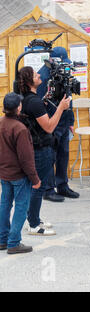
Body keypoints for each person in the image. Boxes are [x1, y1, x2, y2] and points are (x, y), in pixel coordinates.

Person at [17, 66, 70, 236]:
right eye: (35, 74)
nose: (39, 75)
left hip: (34, 146)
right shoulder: (34, 102)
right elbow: (48, 127)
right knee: (38, 186)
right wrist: (61, 108)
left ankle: (33, 218)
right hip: (40, 149)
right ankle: (33, 225)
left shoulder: (28, 99)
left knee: (34, 185)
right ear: (29, 81)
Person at [37, 47, 80, 203]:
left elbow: (69, 97)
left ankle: (63, 185)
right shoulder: (42, 76)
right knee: (50, 157)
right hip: (50, 123)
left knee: (63, 155)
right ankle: (48, 189)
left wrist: (71, 122)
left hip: (63, 123)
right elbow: (39, 104)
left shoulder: (63, 74)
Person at [0, 93, 41, 254]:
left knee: (4, 205)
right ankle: (14, 242)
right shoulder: (20, 129)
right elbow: (26, 158)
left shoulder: (1, 123)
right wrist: (35, 178)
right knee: (21, 207)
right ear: (19, 107)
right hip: (19, 175)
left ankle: (2, 240)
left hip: (4, 173)